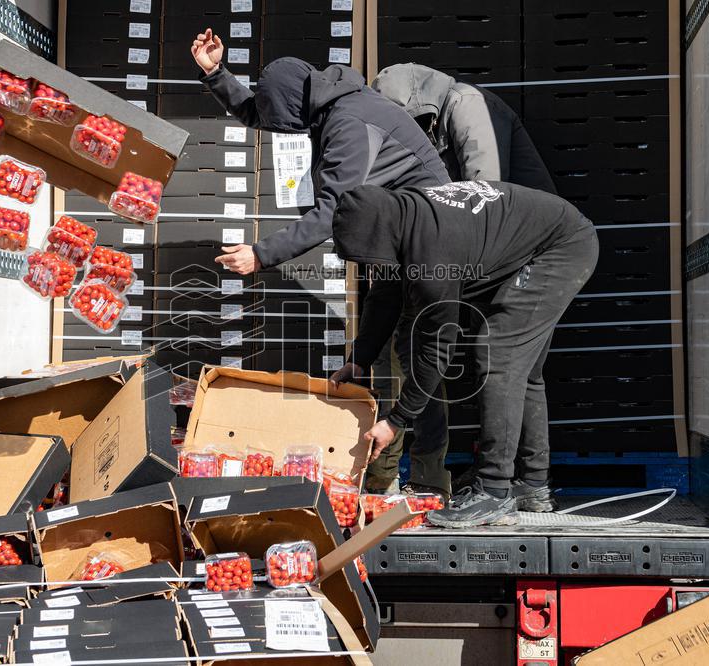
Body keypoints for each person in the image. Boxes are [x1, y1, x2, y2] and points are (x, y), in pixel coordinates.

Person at [191, 30, 452, 496]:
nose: (283, 126)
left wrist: (261, 254)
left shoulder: (350, 124)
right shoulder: (327, 101)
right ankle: (396, 480)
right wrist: (217, 74)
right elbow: (267, 113)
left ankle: (407, 485)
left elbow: (333, 209)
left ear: (297, 101)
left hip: (427, 244)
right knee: (387, 351)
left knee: (408, 360)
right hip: (396, 243)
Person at [330, 180, 598, 527]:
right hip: (542, 237)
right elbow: (384, 295)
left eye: (365, 256)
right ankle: (533, 484)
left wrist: (395, 421)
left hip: (561, 246)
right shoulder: (401, 220)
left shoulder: (431, 257)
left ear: (378, 236)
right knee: (524, 372)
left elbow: (437, 351)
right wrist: (360, 359)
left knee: (499, 355)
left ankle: (493, 490)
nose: (367, 265)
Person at [369, 63, 558, 503]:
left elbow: (483, 197)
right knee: (427, 344)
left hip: (532, 250)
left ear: (418, 108)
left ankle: (526, 484)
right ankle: (485, 480)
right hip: (494, 250)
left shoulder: (465, 103)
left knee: (512, 365)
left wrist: (438, 268)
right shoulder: (420, 127)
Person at [372, 63, 555, 191]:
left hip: (527, 230)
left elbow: (485, 191)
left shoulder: (467, 103)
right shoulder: (434, 116)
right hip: (497, 224)